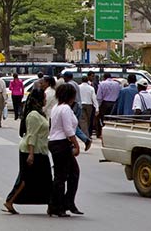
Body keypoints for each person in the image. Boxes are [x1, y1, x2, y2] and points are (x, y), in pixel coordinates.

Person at [3, 89, 52, 214]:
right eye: (44, 98)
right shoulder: (34, 115)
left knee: (45, 179)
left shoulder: (40, 113)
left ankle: (51, 204)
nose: (46, 100)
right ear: (39, 100)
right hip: (31, 151)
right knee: (25, 179)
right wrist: (30, 154)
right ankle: (10, 201)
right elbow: (32, 135)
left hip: (40, 150)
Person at [47, 83, 82, 217]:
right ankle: (59, 205)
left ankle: (63, 203)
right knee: (64, 176)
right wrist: (76, 145)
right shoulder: (66, 109)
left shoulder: (56, 107)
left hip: (55, 142)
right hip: (62, 143)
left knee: (68, 174)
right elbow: (68, 130)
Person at [95, 72, 121, 138]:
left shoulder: (102, 84)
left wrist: (98, 105)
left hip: (105, 103)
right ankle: (112, 134)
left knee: (103, 119)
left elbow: (99, 96)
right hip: (114, 103)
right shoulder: (117, 84)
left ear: (104, 77)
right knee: (112, 119)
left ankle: (102, 133)